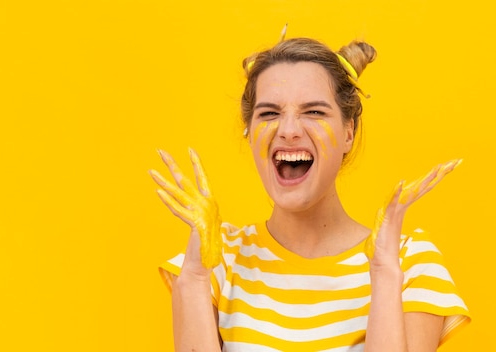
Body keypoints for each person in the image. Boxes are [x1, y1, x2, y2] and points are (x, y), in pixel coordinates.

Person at [149, 27, 470, 351]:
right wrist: (194, 279)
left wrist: (385, 275)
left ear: (348, 131)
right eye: (269, 113)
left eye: (314, 111)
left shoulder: (409, 262)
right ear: (250, 131)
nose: (288, 130)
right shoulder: (216, 261)